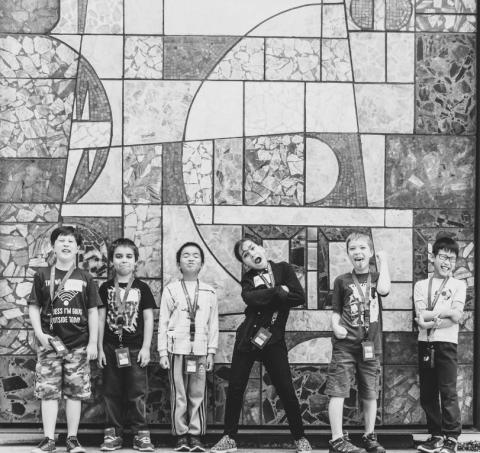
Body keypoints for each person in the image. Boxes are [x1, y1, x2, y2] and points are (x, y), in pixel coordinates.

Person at [210, 237, 312, 453]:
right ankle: (229, 437)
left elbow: (299, 297)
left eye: (252, 248)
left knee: (285, 388)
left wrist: (272, 294)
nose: (250, 253)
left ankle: (300, 437)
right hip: (247, 338)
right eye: (245, 254)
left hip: (273, 339)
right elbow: (250, 299)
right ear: (246, 263)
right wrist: (278, 292)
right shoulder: (248, 279)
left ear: (262, 249)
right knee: (236, 387)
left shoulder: (283, 269)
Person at [28, 226, 99, 453]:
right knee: (48, 392)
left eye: (71, 241)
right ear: (53, 246)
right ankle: (48, 439)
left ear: (78, 248)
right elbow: (33, 306)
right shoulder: (42, 275)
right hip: (49, 344)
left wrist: (92, 343)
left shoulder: (86, 277)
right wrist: (39, 334)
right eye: (61, 240)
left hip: (78, 344)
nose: (66, 244)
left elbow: (93, 312)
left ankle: (72, 439)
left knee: (74, 393)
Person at [326, 232, 390, 453]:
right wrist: (335, 326)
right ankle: (336, 440)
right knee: (338, 390)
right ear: (348, 254)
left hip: (370, 346)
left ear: (370, 252)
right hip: (345, 346)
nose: (357, 252)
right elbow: (336, 311)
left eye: (363, 248)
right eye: (352, 248)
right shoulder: (342, 280)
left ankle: (369, 436)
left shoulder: (377, 276)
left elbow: (384, 290)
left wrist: (384, 262)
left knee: (370, 392)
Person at [158, 242, 219, 452]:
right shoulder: (171, 290)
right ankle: (181, 435)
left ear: (201, 262)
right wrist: (162, 352)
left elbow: (213, 324)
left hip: (200, 352)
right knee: (179, 394)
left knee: (197, 393)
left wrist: (211, 351)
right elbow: (163, 322)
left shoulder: (209, 291)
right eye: (185, 255)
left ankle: (195, 435)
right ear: (178, 263)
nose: (191, 258)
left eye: (195, 255)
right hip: (177, 350)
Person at [97, 238, 156, 452]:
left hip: (135, 348)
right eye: (119, 256)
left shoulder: (143, 288)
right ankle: (113, 433)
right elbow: (101, 319)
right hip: (111, 348)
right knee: (111, 391)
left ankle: (141, 433)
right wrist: (99, 346)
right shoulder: (104, 288)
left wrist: (147, 348)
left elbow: (149, 319)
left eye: (129, 256)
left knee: (137, 391)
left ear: (136, 261)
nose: (124, 260)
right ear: (112, 260)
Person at [414, 236, 465, 453]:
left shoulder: (458, 285)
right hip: (425, 344)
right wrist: (446, 314)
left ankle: (451, 438)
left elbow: (457, 315)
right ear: (433, 257)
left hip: (447, 344)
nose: (447, 263)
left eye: (452, 259)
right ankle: (435, 436)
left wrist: (430, 318)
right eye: (443, 257)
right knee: (427, 392)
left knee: (448, 391)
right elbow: (419, 315)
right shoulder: (421, 285)